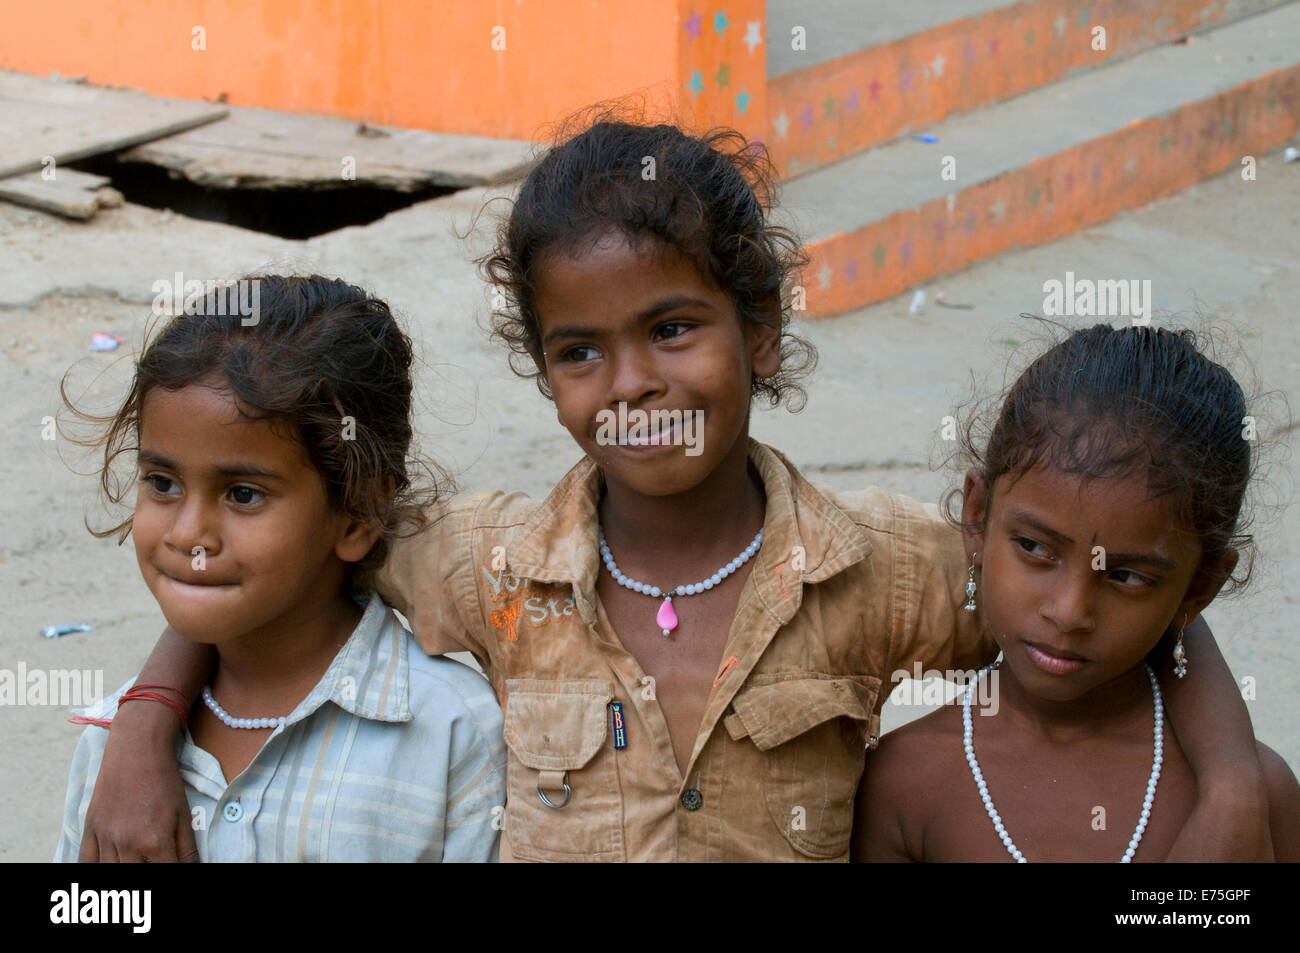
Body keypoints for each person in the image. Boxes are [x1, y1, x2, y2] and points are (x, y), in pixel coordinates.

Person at [73, 114, 1271, 862]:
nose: (631, 383)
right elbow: (250, 570)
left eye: (673, 327)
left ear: (758, 327)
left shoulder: (885, 566)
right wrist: (141, 726)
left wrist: (1229, 784)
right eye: (578, 350)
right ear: (542, 370)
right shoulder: (479, 562)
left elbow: (1110, 589)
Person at [54, 275, 506, 862]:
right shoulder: (110, 743)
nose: (187, 533)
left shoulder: (451, 731)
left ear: (358, 513)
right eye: (162, 483)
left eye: (243, 494)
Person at [853, 323, 1299, 861]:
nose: (1070, 613)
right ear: (976, 517)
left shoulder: (1254, 799)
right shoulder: (906, 785)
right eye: (1035, 548)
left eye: (1126, 577)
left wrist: (1231, 800)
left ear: (1200, 586)